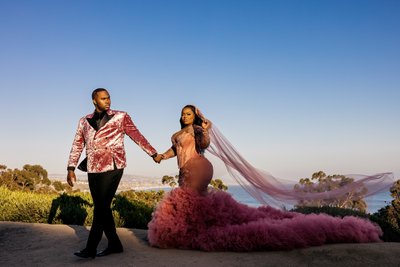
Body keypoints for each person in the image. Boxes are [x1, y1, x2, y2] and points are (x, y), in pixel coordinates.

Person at [148, 104, 394, 251]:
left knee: (191, 202)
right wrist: (161, 156)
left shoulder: (198, 130)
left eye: (189, 114)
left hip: (198, 167)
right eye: (183, 114)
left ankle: (196, 233)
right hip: (184, 169)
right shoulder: (177, 133)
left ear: (195, 117)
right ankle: (199, 230)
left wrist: (207, 128)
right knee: (195, 205)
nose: (185, 116)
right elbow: (175, 151)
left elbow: (204, 143)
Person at [67, 88, 159, 258]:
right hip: (93, 167)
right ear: (94, 101)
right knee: (103, 208)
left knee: (101, 208)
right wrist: (71, 168)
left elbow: (136, 135)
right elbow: (77, 144)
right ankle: (115, 244)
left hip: (113, 165)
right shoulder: (83, 121)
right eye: (103, 98)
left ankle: (91, 248)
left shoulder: (121, 116)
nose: (107, 101)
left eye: (108, 98)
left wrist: (153, 153)